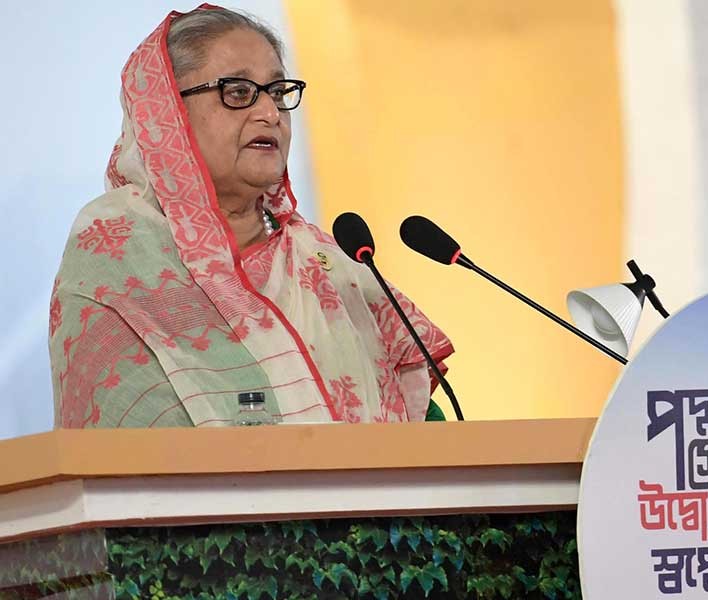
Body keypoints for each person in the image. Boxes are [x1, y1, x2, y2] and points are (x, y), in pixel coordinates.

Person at [48, 6, 452, 428]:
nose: (270, 113)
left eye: (278, 92)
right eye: (238, 92)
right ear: (164, 110)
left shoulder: (329, 263)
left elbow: (425, 424)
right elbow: (120, 439)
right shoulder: (116, 244)